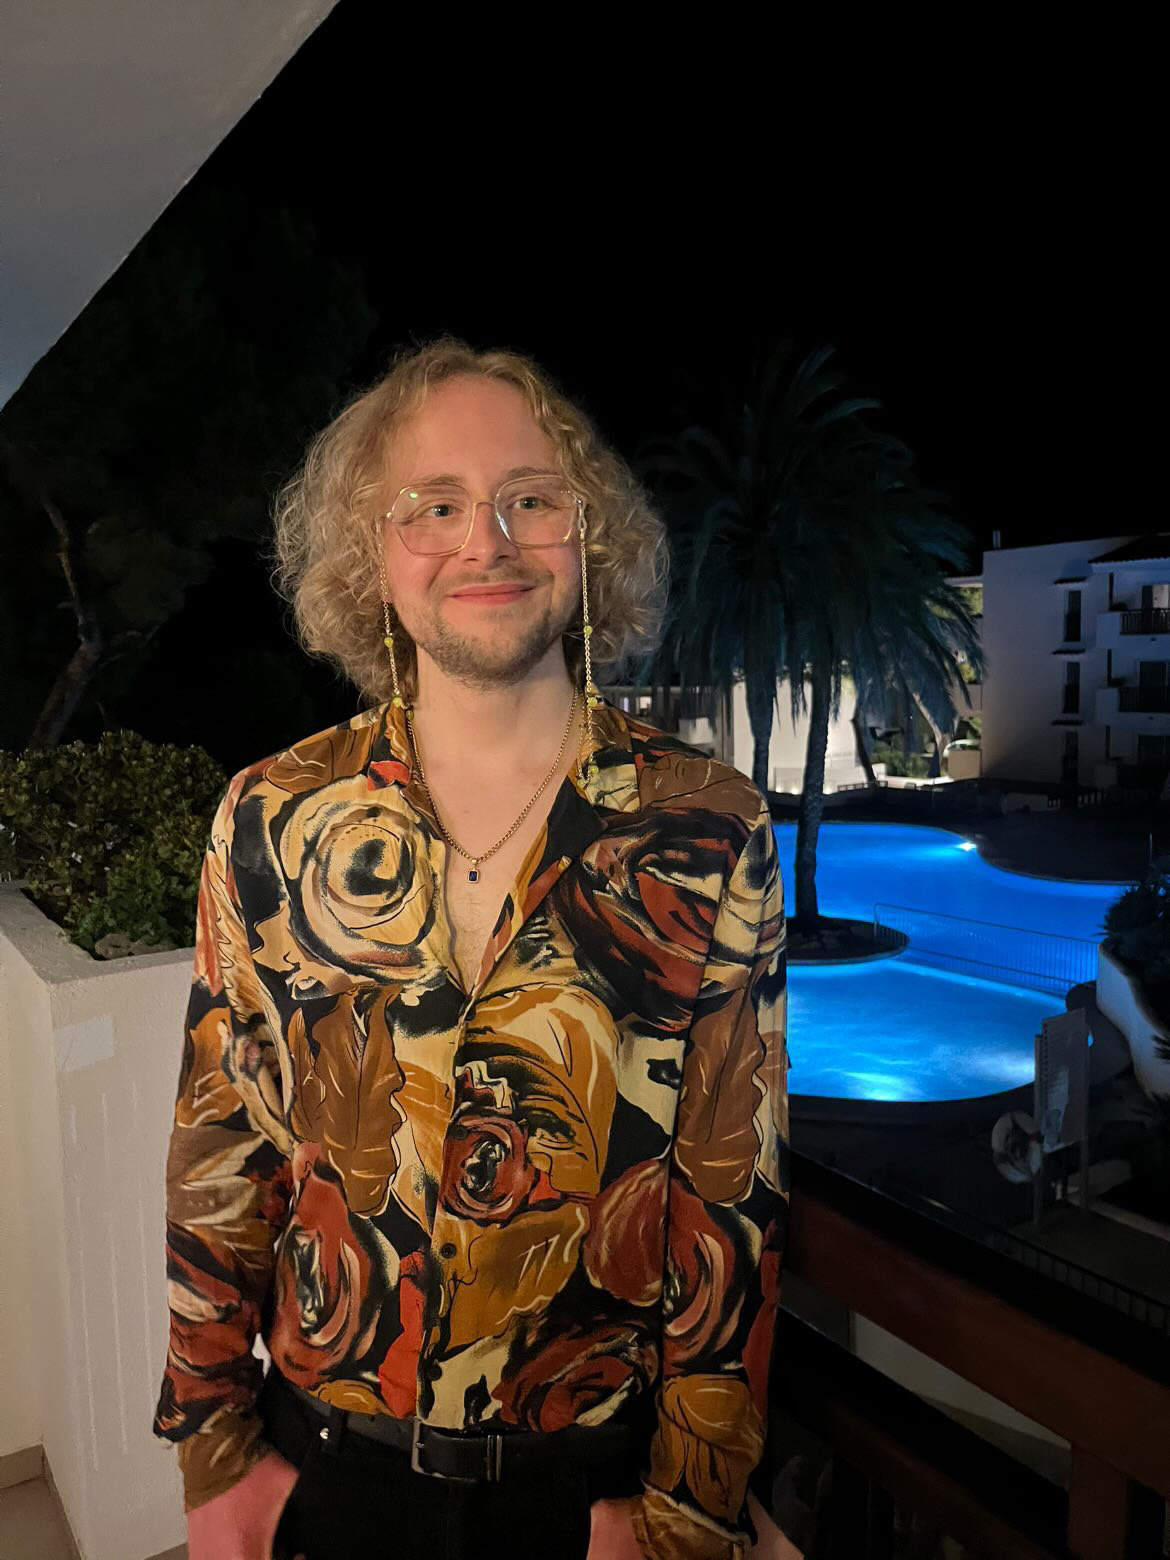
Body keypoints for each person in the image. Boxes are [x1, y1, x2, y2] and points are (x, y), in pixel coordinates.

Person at [152, 338, 793, 1560]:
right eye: (434, 506)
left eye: (531, 499)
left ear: (588, 537)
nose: (486, 540)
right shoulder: (270, 816)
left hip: (592, 1496)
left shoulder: (709, 824)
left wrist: (690, 1508)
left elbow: (733, 1196)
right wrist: (212, 1450)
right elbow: (221, 1148)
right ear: (372, 554)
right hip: (327, 1476)